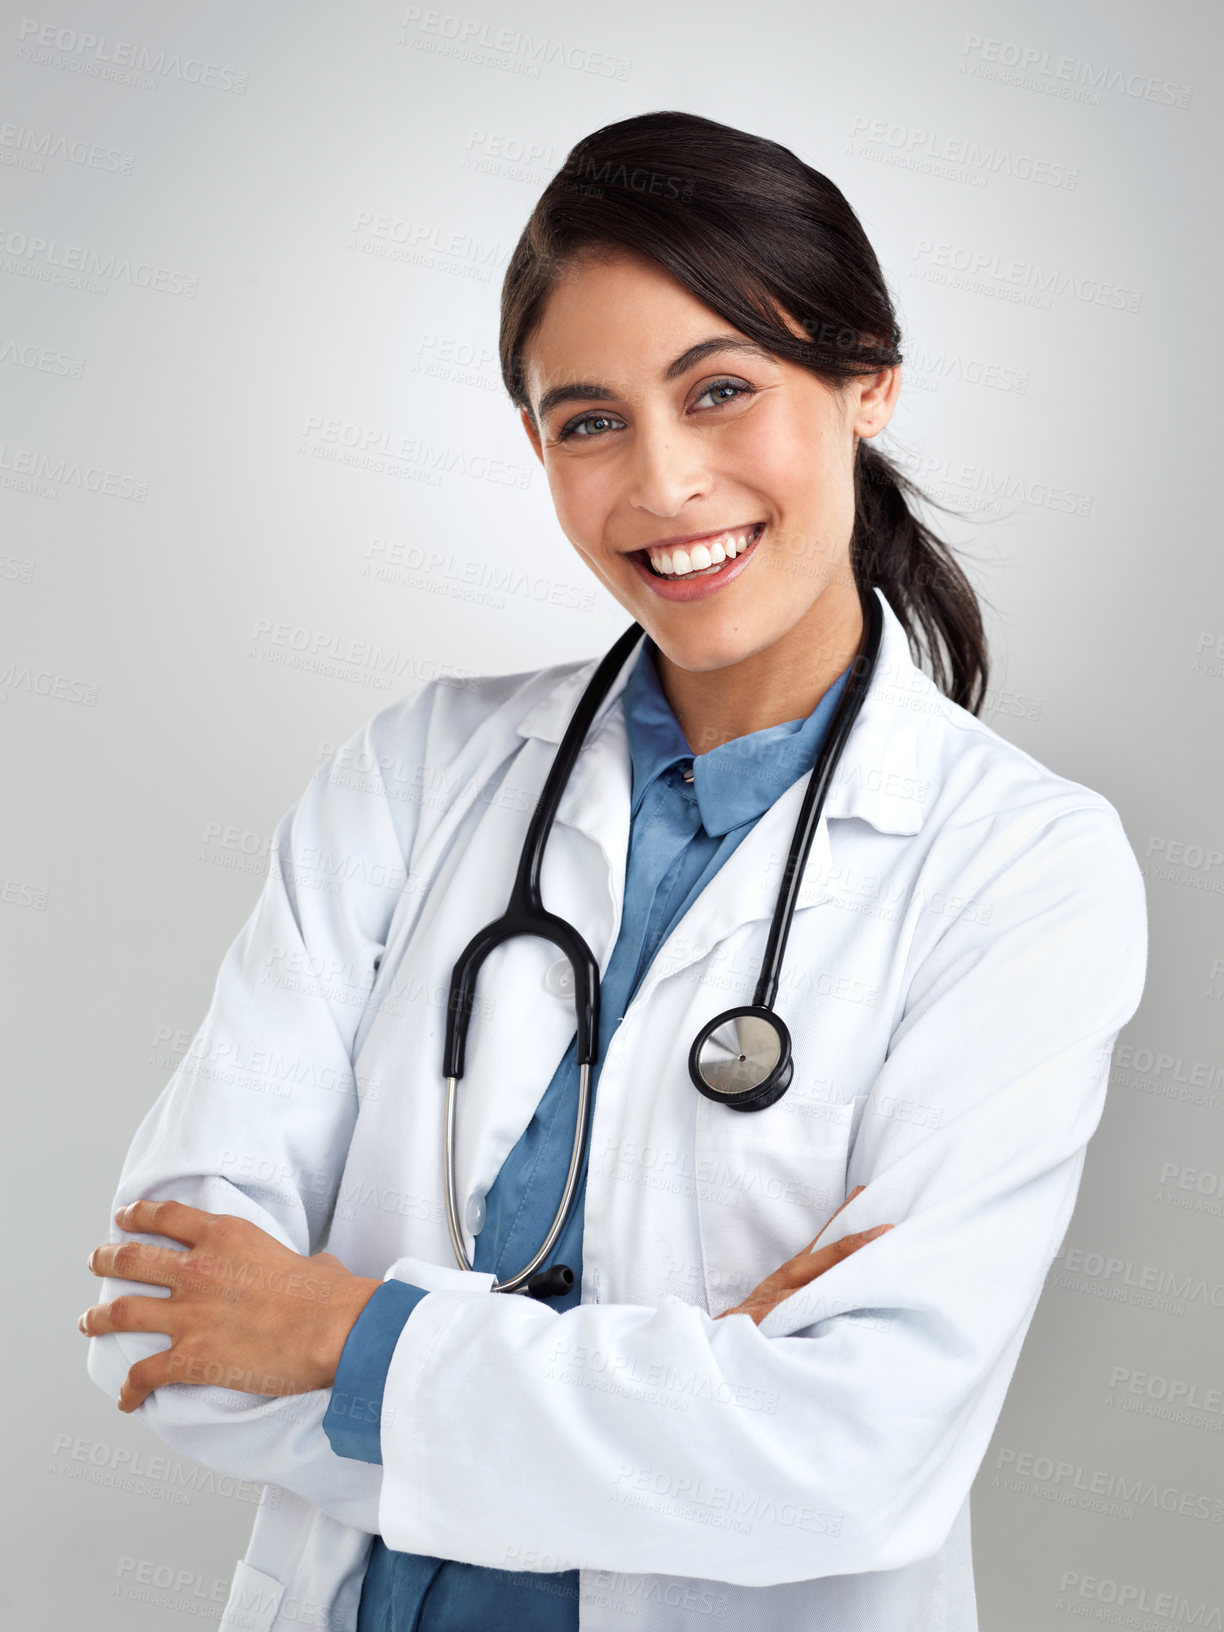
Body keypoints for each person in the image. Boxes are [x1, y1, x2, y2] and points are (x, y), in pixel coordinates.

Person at [80, 111, 1148, 1632]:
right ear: (537, 447)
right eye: (589, 421)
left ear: (868, 380)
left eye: (721, 391)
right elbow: (155, 1331)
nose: (662, 484)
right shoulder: (413, 776)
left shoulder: (1024, 869)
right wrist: (699, 1388)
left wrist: (346, 1335)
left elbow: (851, 1461)